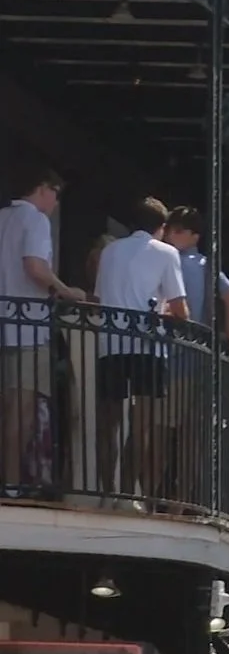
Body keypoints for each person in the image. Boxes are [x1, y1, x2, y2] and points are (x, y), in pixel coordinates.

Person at [93, 197, 188, 496]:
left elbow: (99, 298)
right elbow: (180, 310)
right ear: (161, 227)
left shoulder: (109, 251)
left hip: (110, 343)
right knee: (142, 422)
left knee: (108, 423)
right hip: (147, 346)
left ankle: (106, 491)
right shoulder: (166, 253)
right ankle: (126, 493)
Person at [0, 169, 86, 489]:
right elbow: (35, 267)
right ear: (42, 189)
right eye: (56, 194)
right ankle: (10, 483)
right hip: (26, 328)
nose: (56, 202)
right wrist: (67, 291)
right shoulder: (35, 220)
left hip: (4, 321)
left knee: (6, 409)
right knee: (20, 409)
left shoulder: (2, 217)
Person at [160, 209, 229, 348]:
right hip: (198, 346)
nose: (170, 236)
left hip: (167, 342)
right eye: (168, 230)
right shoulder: (206, 266)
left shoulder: (164, 259)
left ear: (195, 236)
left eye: (178, 231)